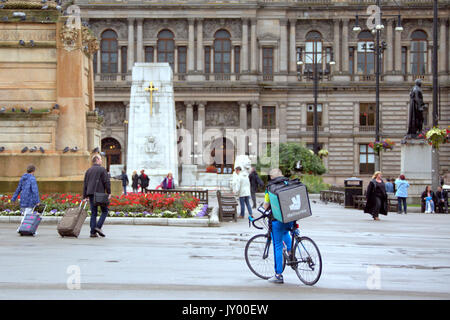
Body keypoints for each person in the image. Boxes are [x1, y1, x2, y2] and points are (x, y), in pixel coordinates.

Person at [258, 168, 294, 284]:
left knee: (277, 245)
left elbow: (266, 205)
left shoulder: (270, 188)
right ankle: (290, 252)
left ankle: (278, 275)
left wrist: (263, 208)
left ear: (271, 178)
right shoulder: (288, 183)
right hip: (291, 217)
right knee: (286, 232)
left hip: (277, 219)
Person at [83, 155, 111, 238]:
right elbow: (106, 181)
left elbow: (85, 184)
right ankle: (98, 227)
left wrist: (85, 196)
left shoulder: (88, 170)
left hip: (91, 193)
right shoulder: (102, 169)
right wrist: (109, 192)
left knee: (93, 213)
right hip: (100, 193)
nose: (101, 161)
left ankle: (92, 232)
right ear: (97, 160)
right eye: (101, 159)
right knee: (105, 211)